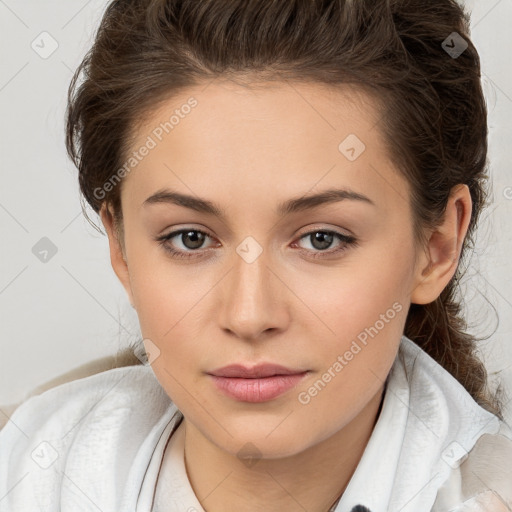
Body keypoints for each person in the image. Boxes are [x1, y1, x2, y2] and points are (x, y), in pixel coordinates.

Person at [1, 0, 511, 511]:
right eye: (190, 238)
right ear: (121, 246)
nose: (249, 315)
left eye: (321, 239)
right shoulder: (26, 472)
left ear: (437, 246)